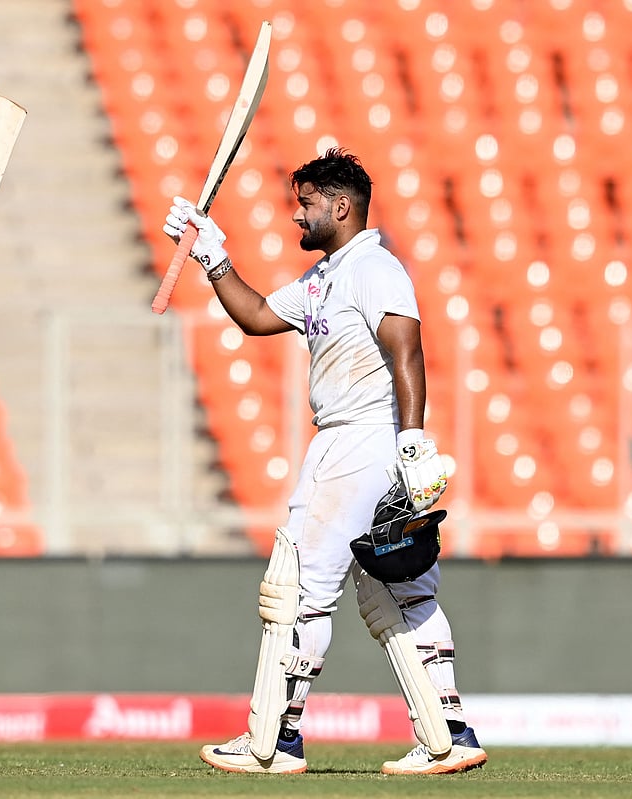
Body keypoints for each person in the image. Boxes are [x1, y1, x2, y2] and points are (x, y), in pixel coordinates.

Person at [162, 148, 487, 775]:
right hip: (354, 439)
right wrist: (213, 256)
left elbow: (407, 352)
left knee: (301, 586)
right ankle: (450, 732)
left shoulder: (372, 267)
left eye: (306, 205)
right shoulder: (325, 277)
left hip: (363, 437)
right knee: (395, 588)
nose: (296, 217)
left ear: (340, 207)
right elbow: (257, 317)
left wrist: (412, 441)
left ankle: (274, 741)